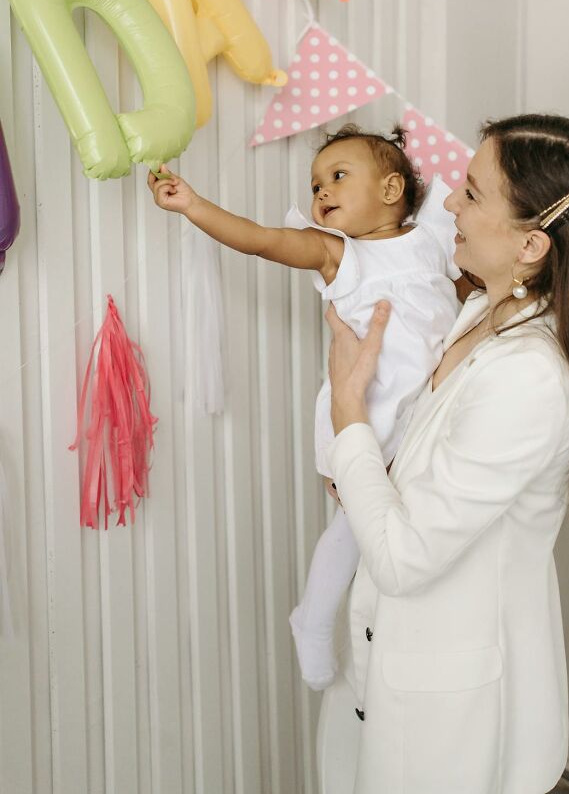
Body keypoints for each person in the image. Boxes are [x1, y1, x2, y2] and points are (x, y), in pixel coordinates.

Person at [317, 113, 569, 794]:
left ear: (532, 242)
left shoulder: (530, 375)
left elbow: (406, 557)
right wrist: (374, 473)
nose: (446, 205)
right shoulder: (480, 313)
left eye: (470, 193)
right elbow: (432, 470)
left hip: (449, 705)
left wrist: (349, 420)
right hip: (384, 660)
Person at [147, 123, 468, 691]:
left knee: (418, 535)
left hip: (430, 412)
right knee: (353, 531)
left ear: (392, 190)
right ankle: (314, 621)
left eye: (337, 177)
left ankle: (408, 653)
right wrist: (194, 206)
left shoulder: (433, 240)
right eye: (316, 184)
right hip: (368, 415)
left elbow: (472, 290)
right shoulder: (338, 253)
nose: (321, 192)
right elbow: (261, 239)